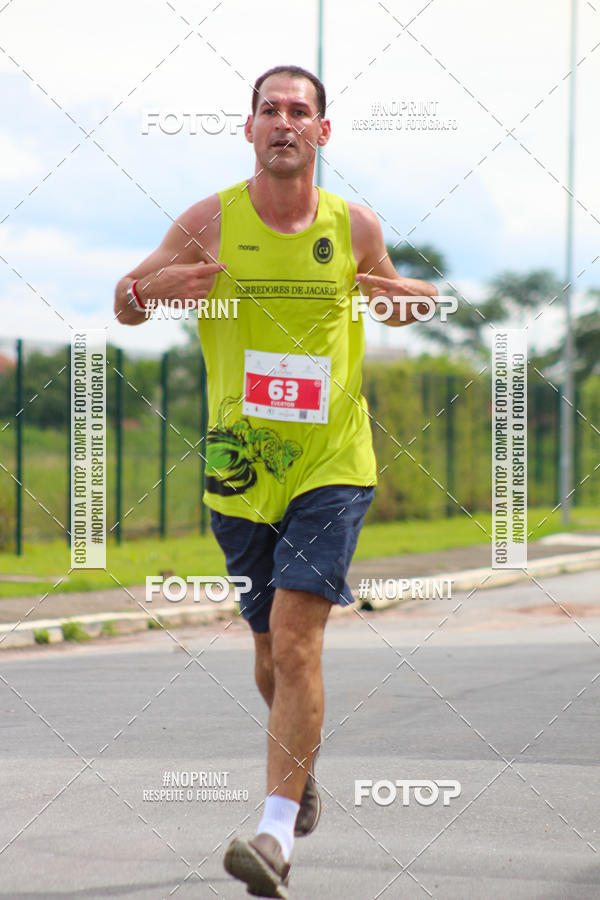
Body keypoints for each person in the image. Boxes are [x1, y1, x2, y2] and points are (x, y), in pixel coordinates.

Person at [114, 64, 437, 898]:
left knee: (298, 641)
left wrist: (410, 301)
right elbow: (125, 301)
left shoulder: (353, 225)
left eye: (301, 111)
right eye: (271, 110)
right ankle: (298, 774)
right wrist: (152, 289)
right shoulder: (208, 221)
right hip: (239, 465)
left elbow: (398, 293)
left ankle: (271, 835)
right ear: (249, 128)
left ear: (323, 134)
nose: (285, 121)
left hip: (332, 463)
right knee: (267, 650)